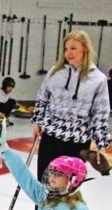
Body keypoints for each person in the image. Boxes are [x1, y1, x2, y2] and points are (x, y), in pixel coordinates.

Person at [32, 30, 110, 184]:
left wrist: (101, 145)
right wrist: (37, 121)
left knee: (66, 190)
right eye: (66, 49)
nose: (69, 53)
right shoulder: (55, 73)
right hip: (51, 139)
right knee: (46, 184)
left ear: (85, 49)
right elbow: (42, 97)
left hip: (77, 143)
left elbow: (100, 113)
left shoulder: (98, 80)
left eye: (73, 48)